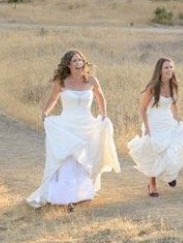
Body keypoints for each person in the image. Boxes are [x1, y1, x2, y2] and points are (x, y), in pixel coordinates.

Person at [27, 50, 120, 211]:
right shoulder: (62, 82)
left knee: (83, 162)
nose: (78, 63)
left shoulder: (91, 80)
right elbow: (53, 98)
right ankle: (66, 198)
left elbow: (101, 98)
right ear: (68, 65)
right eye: (75, 61)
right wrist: (45, 113)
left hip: (87, 126)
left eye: (80, 60)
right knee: (68, 161)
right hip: (67, 126)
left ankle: (79, 194)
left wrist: (104, 116)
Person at [128, 57, 183, 197]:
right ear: (160, 70)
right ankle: (152, 184)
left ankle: (170, 174)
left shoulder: (174, 85)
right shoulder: (152, 87)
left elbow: (173, 104)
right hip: (153, 122)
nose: (169, 70)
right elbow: (142, 108)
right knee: (154, 151)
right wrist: (147, 128)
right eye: (166, 67)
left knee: (172, 148)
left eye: (171, 67)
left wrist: (176, 120)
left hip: (167, 121)